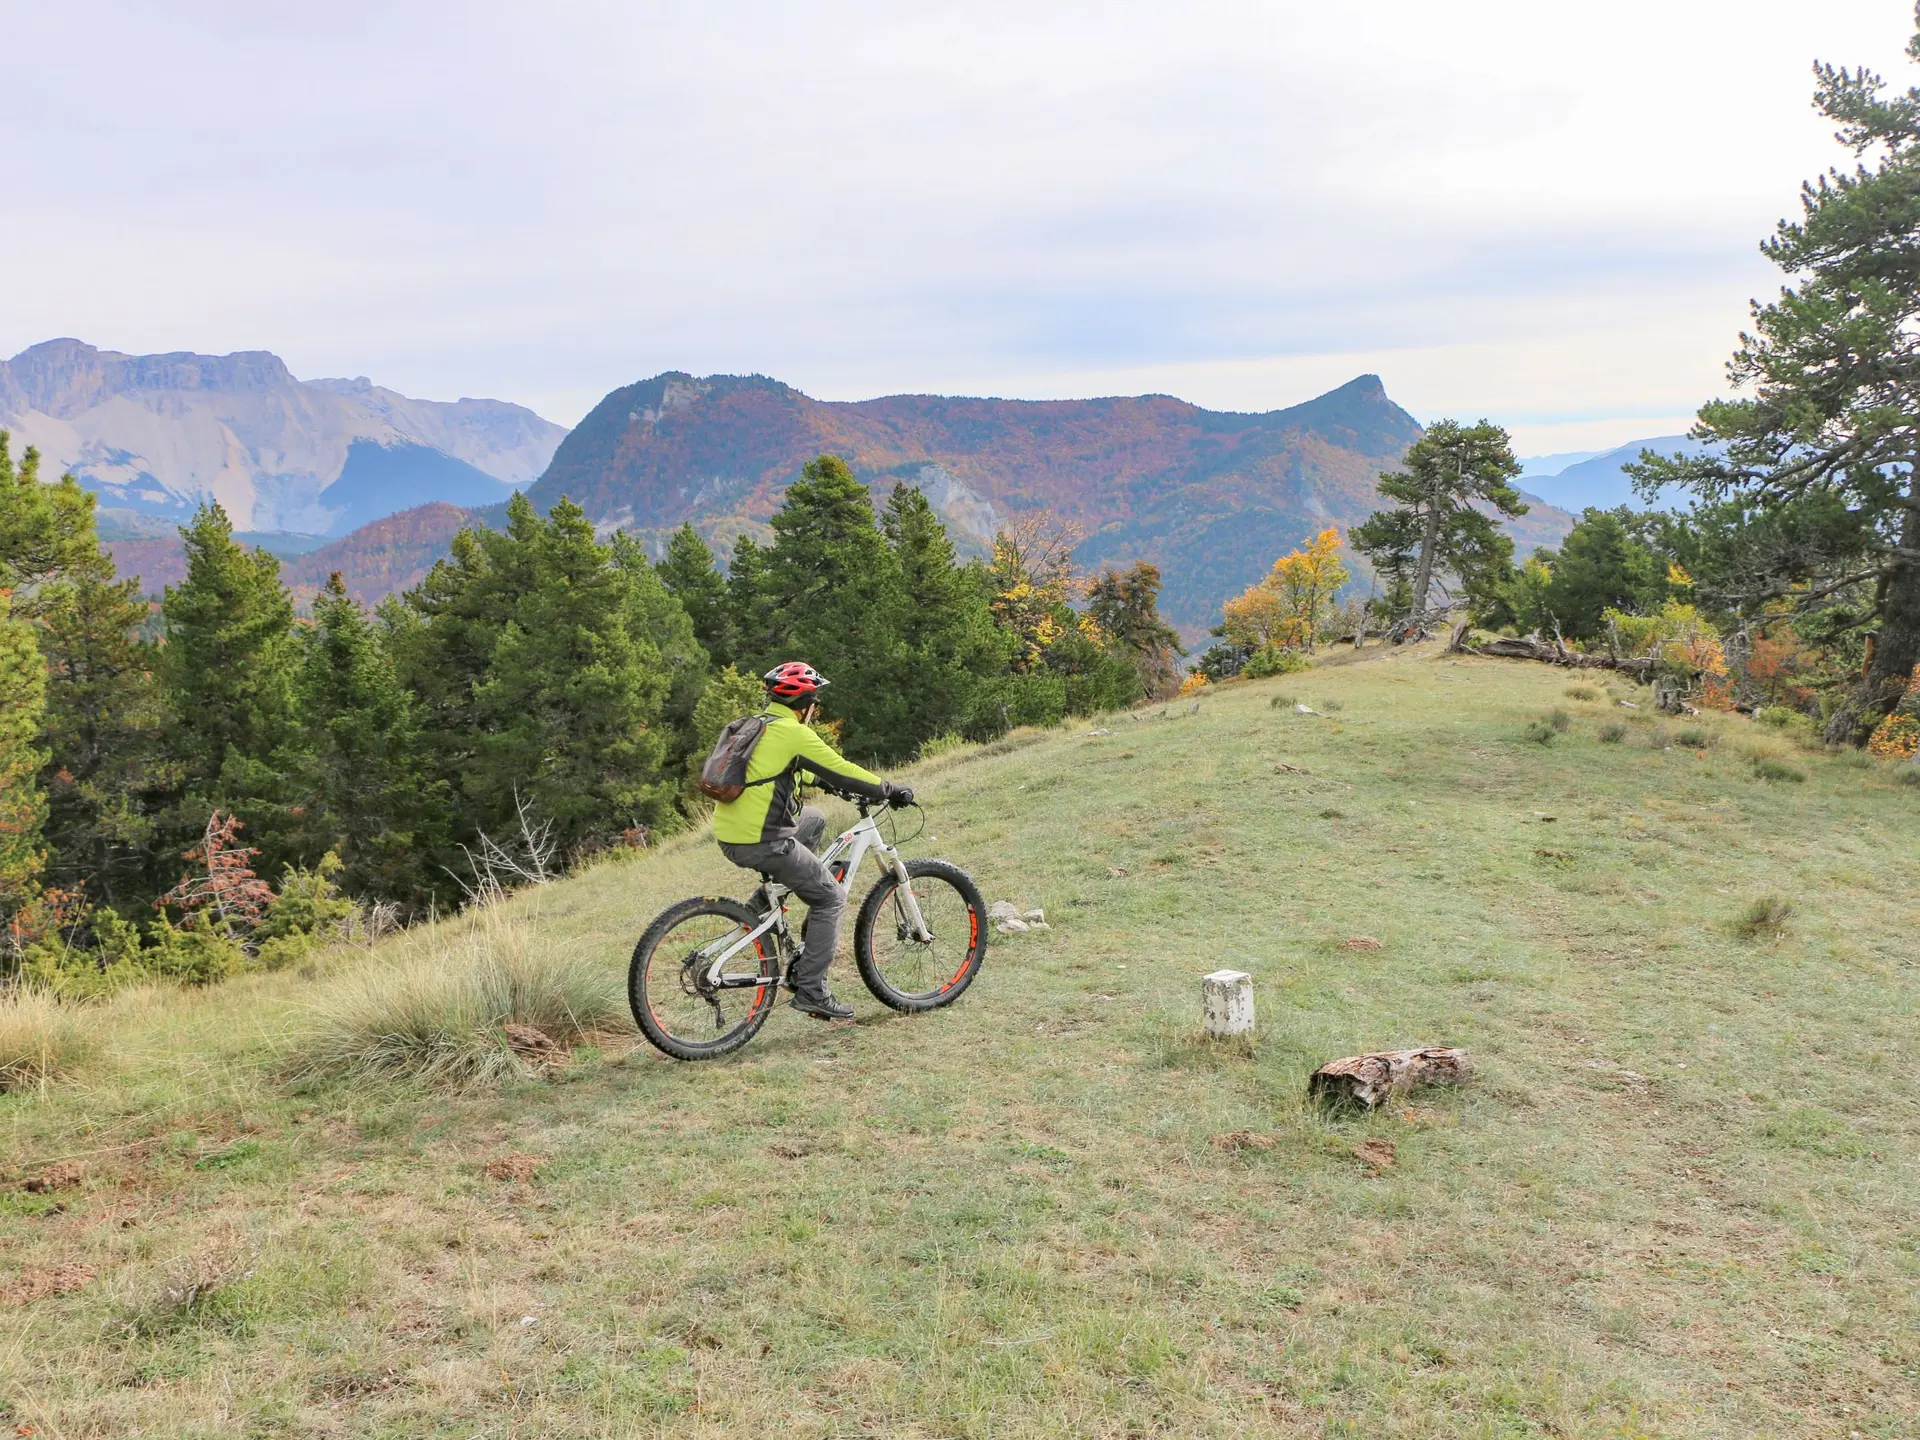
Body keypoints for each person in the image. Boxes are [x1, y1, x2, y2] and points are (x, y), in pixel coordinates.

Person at [711, 662, 914, 1020]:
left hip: (732, 833)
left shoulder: (759, 725)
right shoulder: (794, 733)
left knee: (814, 819)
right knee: (830, 899)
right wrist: (889, 789)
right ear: (805, 704)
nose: (815, 709)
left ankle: (766, 901)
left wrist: (821, 782)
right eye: (815, 703)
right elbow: (843, 769)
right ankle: (812, 990)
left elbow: (783, 768)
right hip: (762, 840)